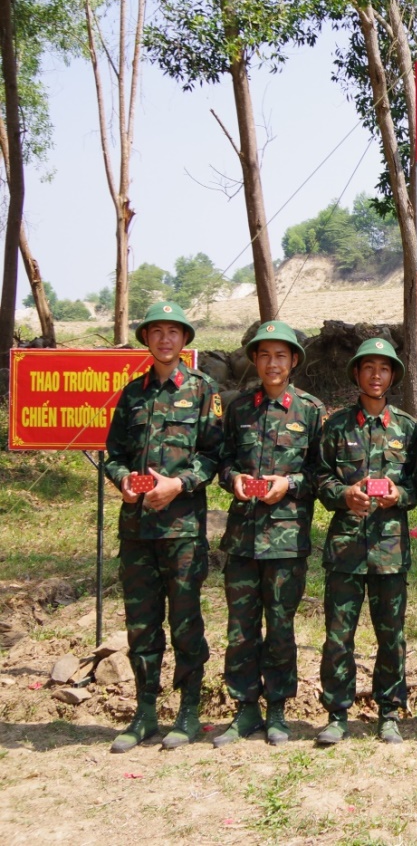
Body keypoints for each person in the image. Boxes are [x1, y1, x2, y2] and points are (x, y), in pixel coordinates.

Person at [103, 303, 222, 753]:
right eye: (157, 332)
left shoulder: (203, 390)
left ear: (185, 339)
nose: (165, 339)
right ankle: (145, 711)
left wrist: (179, 484)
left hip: (183, 530)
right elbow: (114, 454)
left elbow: (213, 456)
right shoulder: (132, 394)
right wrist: (122, 481)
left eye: (174, 331)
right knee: (141, 624)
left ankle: (188, 711)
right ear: (147, 339)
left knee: (186, 623)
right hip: (137, 530)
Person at [213, 321, 325, 748]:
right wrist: (234, 479)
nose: (272, 363)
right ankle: (244, 709)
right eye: (264, 355)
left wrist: (289, 483)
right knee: (241, 628)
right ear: (255, 361)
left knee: (280, 627)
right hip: (242, 538)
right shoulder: (239, 408)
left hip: (286, 540)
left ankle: (277, 708)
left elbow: (321, 473)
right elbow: (223, 461)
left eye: (280, 355)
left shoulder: (310, 410)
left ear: (293, 361)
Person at [313, 337, 417, 746]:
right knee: (339, 635)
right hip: (346, 549)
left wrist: (399, 495)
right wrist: (344, 495)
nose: (376, 375)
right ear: (356, 373)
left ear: (393, 376)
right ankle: (337, 713)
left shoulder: (406, 427)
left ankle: (389, 712)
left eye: (384, 368)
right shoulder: (337, 426)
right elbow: (321, 478)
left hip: (389, 549)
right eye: (369, 367)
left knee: (391, 635)